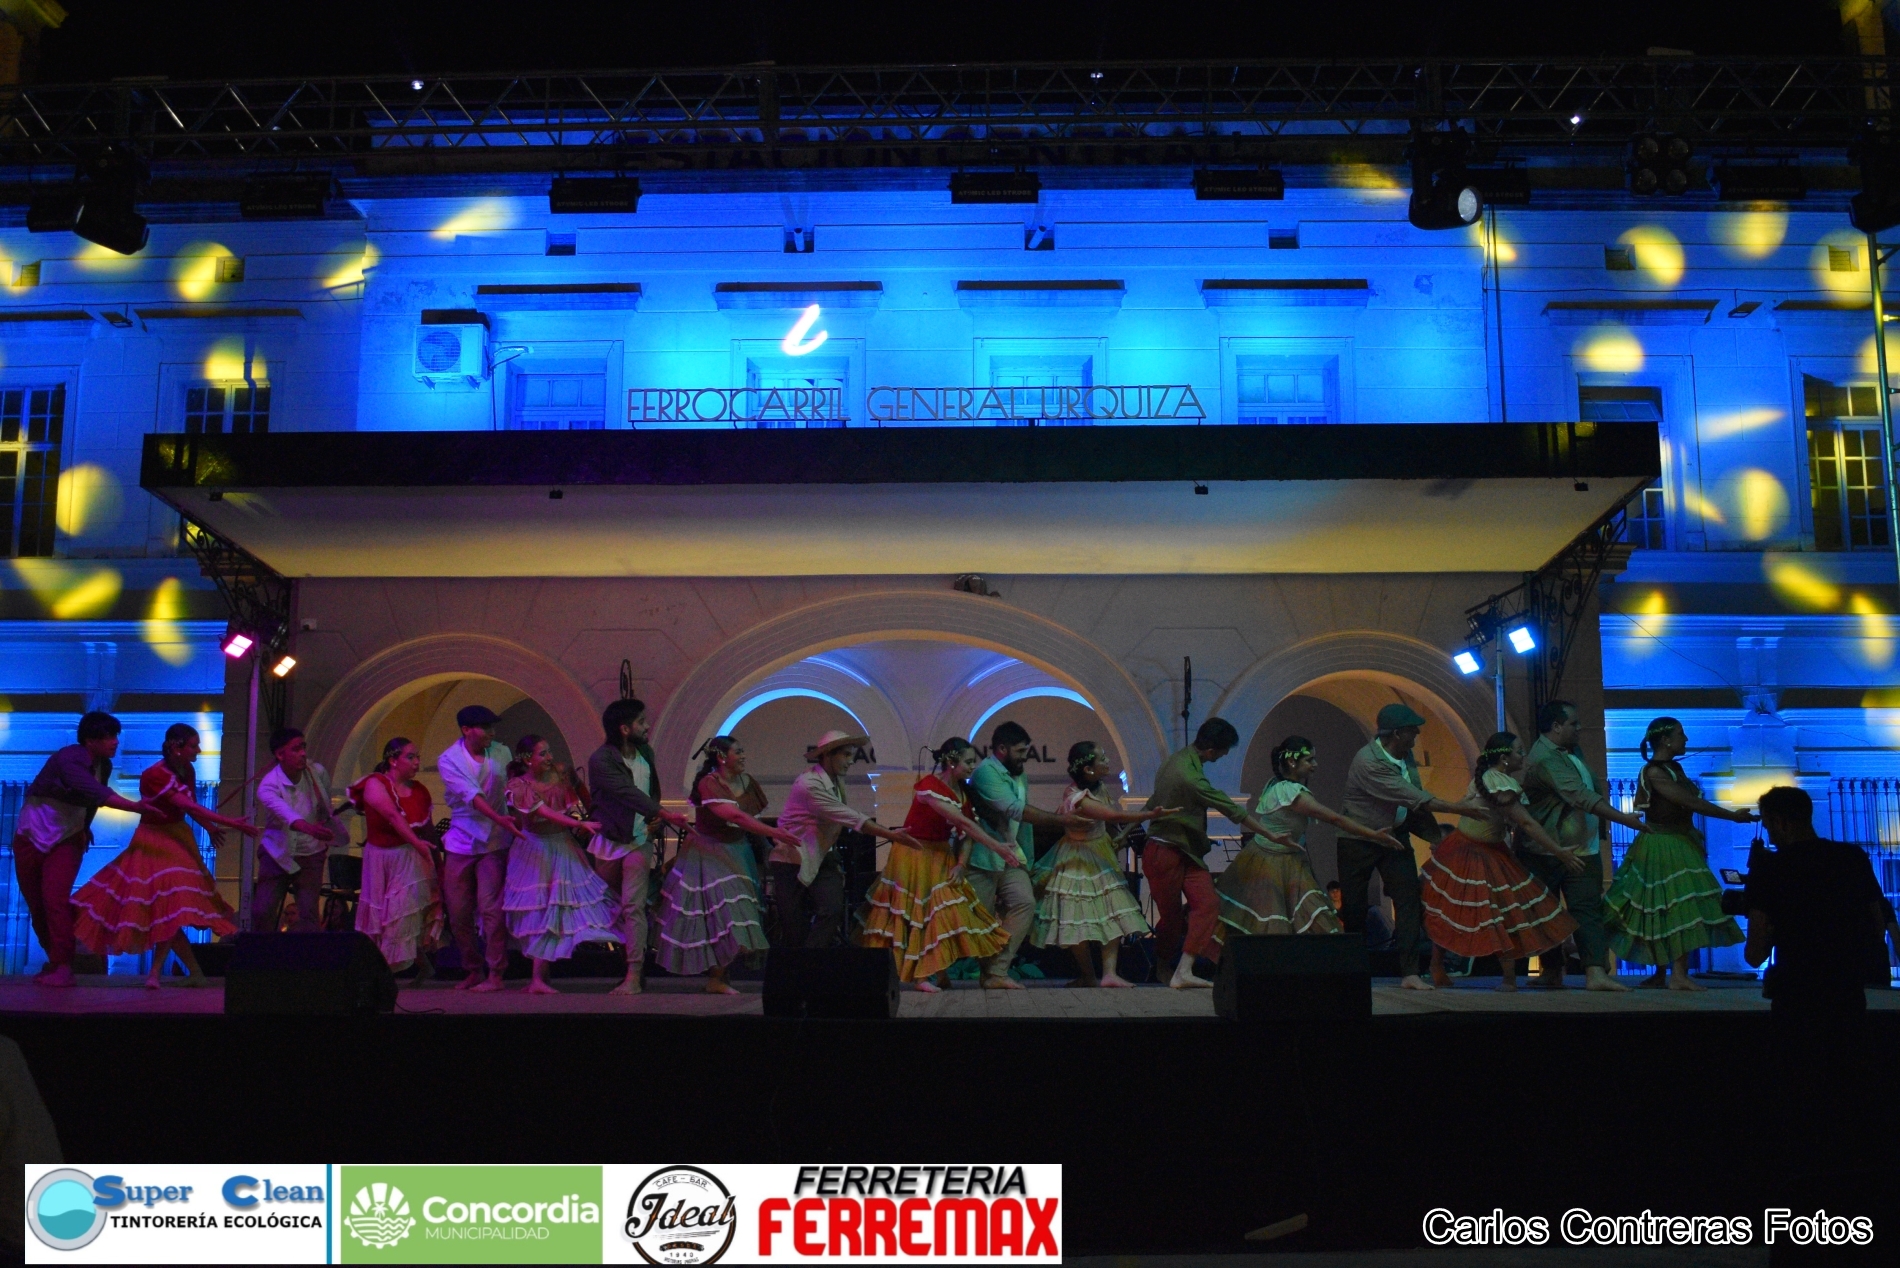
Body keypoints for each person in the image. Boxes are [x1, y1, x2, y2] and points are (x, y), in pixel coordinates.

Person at [71, 723, 253, 988]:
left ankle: (169, 973)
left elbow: (190, 808)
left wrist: (210, 827)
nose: (198, 750)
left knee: (171, 910)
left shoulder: (187, 770)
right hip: (153, 841)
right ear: (177, 747)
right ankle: (168, 972)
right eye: (193, 745)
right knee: (166, 910)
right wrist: (231, 822)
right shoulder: (155, 775)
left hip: (177, 838)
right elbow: (186, 804)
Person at [1334, 704, 1482, 991]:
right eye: (1412, 731)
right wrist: (1461, 809)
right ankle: (1353, 974)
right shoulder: (1368, 762)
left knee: (1409, 899)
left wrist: (1434, 834)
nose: (1416, 736)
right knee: (1354, 907)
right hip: (1359, 839)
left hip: (1395, 835)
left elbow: (1415, 798)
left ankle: (1410, 973)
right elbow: (1413, 796)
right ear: (1397, 733)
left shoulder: (1405, 754)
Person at [1418, 732, 1580, 992]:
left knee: (1497, 912)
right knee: (1474, 911)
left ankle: (1503, 976)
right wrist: (1559, 850)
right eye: (1519, 751)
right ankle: (1496, 976)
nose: (1523, 756)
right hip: (1468, 852)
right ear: (1504, 758)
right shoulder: (1498, 784)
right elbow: (1527, 823)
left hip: (1486, 851)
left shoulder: (1492, 780)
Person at [1143, 717, 1296, 989]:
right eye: (1224, 751)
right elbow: (1229, 807)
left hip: (1187, 852)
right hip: (1164, 851)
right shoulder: (1188, 775)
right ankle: (1163, 966)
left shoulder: (1180, 761)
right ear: (1212, 750)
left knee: (1208, 904)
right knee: (1172, 919)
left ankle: (1183, 970)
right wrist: (1271, 834)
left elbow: (1154, 801)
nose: (1224, 756)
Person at [1602, 717, 1753, 990]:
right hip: (1663, 845)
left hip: (1676, 842)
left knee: (1673, 907)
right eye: (1681, 734)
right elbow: (1688, 801)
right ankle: (1673, 974)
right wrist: (1732, 816)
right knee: (1671, 907)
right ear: (1665, 740)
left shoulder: (1673, 769)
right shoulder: (1654, 771)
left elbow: (1686, 806)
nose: (1686, 739)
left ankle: (1673, 973)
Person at [11, 712, 154, 987]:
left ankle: (64, 965)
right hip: (32, 835)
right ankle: (56, 961)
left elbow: (92, 800)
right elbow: (90, 789)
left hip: (67, 837)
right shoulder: (69, 757)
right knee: (37, 905)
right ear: (90, 740)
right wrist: (136, 807)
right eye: (108, 737)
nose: (115, 742)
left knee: (55, 899)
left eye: (115, 736)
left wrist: (85, 827)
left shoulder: (104, 766)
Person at [858, 737, 1011, 991]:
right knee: (920, 914)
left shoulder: (963, 793)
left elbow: (966, 833)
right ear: (951, 762)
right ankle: (921, 977)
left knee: (945, 911)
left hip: (940, 854)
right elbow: (962, 823)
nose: (972, 766)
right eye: (968, 761)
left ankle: (939, 972)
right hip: (914, 854)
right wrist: (997, 846)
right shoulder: (929, 787)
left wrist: (961, 864)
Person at [1216, 737, 1401, 944]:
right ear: (1292, 762)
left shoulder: (1276, 784)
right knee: (1282, 921)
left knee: (1293, 919)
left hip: (1279, 859)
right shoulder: (1291, 793)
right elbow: (1335, 819)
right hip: (1272, 863)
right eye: (1309, 760)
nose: (1315, 764)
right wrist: (1373, 834)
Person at [1519, 699, 1648, 991]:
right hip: (1547, 851)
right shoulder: (1545, 758)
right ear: (1556, 726)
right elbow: (1580, 796)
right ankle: (1553, 971)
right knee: (1546, 912)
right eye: (1573, 723)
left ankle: (1595, 972)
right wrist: (1623, 819)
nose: (1579, 728)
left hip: (1582, 849)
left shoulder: (1571, 751)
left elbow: (1588, 790)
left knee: (1587, 910)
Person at [657, 736, 800, 994]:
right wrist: (774, 832)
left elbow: (749, 819)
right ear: (722, 757)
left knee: (740, 911)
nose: (744, 756)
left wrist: (769, 844)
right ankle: (717, 977)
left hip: (737, 851)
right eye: (738, 752)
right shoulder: (709, 783)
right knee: (722, 912)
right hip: (709, 852)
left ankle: (720, 976)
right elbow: (733, 815)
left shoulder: (747, 782)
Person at [1031, 742, 1168, 987]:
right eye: (1102, 759)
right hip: (1076, 857)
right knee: (1075, 917)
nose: (1107, 761)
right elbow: (1112, 815)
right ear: (1088, 769)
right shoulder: (1077, 797)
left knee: (1112, 911)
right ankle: (1088, 974)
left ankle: (1109, 973)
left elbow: (1110, 821)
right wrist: (1149, 815)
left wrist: (1119, 836)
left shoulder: (1099, 786)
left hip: (1099, 852)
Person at [774, 729, 922, 950]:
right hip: (792, 859)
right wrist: (892, 835)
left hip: (821, 855)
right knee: (793, 925)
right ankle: (801, 963)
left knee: (832, 909)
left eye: (851, 755)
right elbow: (850, 817)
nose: (851, 761)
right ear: (827, 755)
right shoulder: (809, 784)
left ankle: (810, 962)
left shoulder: (835, 781)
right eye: (846, 755)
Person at [503, 735, 620, 995]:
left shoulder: (561, 773)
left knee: (563, 908)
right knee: (539, 911)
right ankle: (537, 978)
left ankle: (541, 977)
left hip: (561, 845)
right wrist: (579, 823)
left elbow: (582, 790)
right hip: (534, 851)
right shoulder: (518, 785)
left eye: (549, 751)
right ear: (527, 759)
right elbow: (542, 811)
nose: (549, 757)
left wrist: (596, 816)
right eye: (542, 753)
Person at [586, 698, 688, 995]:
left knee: (633, 906)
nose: (647, 726)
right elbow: (626, 792)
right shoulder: (602, 759)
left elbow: (648, 791)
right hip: (610, 841)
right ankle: (623, 964)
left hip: (639, 841)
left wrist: (654, 819)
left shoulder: (646, 753)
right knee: (609, 904)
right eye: (641, 722)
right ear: (624, 728)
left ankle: (634, 973)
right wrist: (662, 812)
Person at [966, 721, 1078, 990]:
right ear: (1001, 749)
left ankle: (997, 971)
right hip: (982, 858)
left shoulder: (1020, 775)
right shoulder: (986, 773)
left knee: (1025, 903)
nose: (1024, 757)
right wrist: (1062, 820)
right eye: (1019, 751)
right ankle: (980, 974)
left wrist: (1027, 857)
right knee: (980, 919)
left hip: (1011, 856)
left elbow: (1022, 822)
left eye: (1026, 751)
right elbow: (1016, 809)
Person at [436, 704, 526, 992]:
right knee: (459, 912)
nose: (491, 732)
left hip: (495, 841)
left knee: (491, 908)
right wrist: (499, 817)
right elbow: (471, 795)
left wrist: (518, 818)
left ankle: (496, 972)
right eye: (485, 727)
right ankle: (472, 968)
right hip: (462, 839)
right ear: (466, 730)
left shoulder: (501, 752)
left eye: (492, 727)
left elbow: (513, 789)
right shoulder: (449, 759)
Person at [350, 736, 445, 982]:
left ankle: (384, 976)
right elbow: (392, 816)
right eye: (410, 757)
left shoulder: (420, 791)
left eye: (418, 757)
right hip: (379, 859)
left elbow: (428, 830)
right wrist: (418, 844)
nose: (417, 762)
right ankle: (390, 972)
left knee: (401, 914)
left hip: (408, 860)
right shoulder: (375, 783)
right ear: (393, 760)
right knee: (384, 919)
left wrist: (437, 861)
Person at [253, 727, 343, 934]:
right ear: (280, 754)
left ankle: (308, 954)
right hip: (277, 853)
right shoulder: (268, 786)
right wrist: (312, 830)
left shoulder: (317, 772)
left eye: (303, 747)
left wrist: (323, 825)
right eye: (295, 749)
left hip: (311, 852)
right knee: (263, 912)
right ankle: (264, 953)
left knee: (309, 914)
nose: (303, 753)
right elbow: (288, 816)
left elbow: (324, 805)